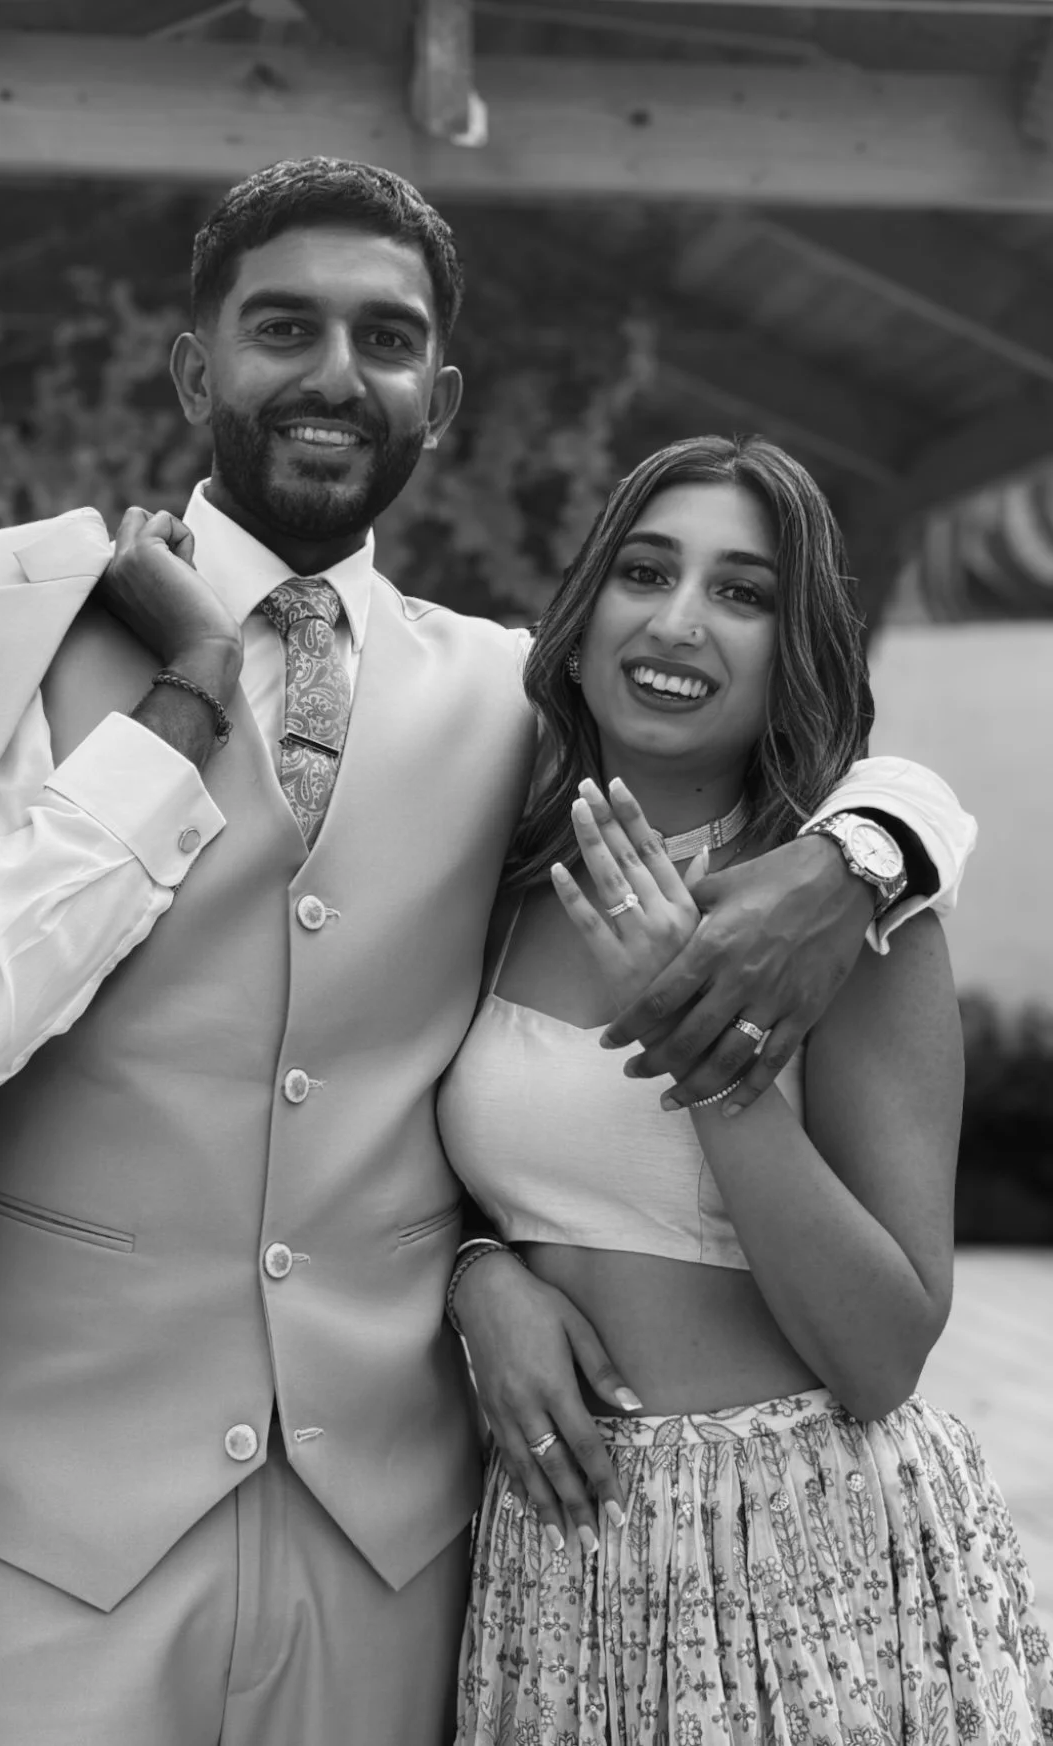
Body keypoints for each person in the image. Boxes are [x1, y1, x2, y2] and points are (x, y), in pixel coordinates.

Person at [0, 162, 975, 1746]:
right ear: (197, 369)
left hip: (394, 1545)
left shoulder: (516, 698)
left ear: (438, 396)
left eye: (385, 340)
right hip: (38, 1524)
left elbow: (764, 737)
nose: (336, 375)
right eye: (285, 327)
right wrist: (189, 693)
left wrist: (878, 853)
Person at [444, 435, 1049, 1746]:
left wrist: (708, 1044)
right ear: (584, 608)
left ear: (796, 645)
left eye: (743, 590)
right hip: (554, 1574)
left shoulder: (845, 924)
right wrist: (477, 1271)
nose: (678, 620)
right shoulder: (496, 873)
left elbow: (884, 1350)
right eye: (646, 570)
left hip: (798, 1557)